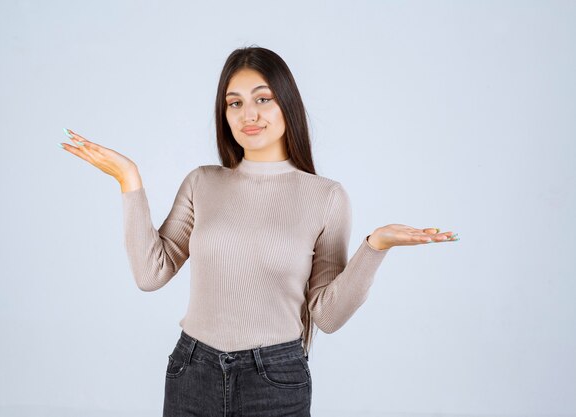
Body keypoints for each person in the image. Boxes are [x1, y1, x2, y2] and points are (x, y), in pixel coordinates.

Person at [59, 46, 459, 417]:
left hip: (276, 379)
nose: (248, 114)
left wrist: (375, 247)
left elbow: (329, 315)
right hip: (192, 372)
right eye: (235, 103)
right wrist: (130, 181)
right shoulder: (202, 183)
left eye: (262, 99)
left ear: (287, 103)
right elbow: (151, 274)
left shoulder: (326, 197)